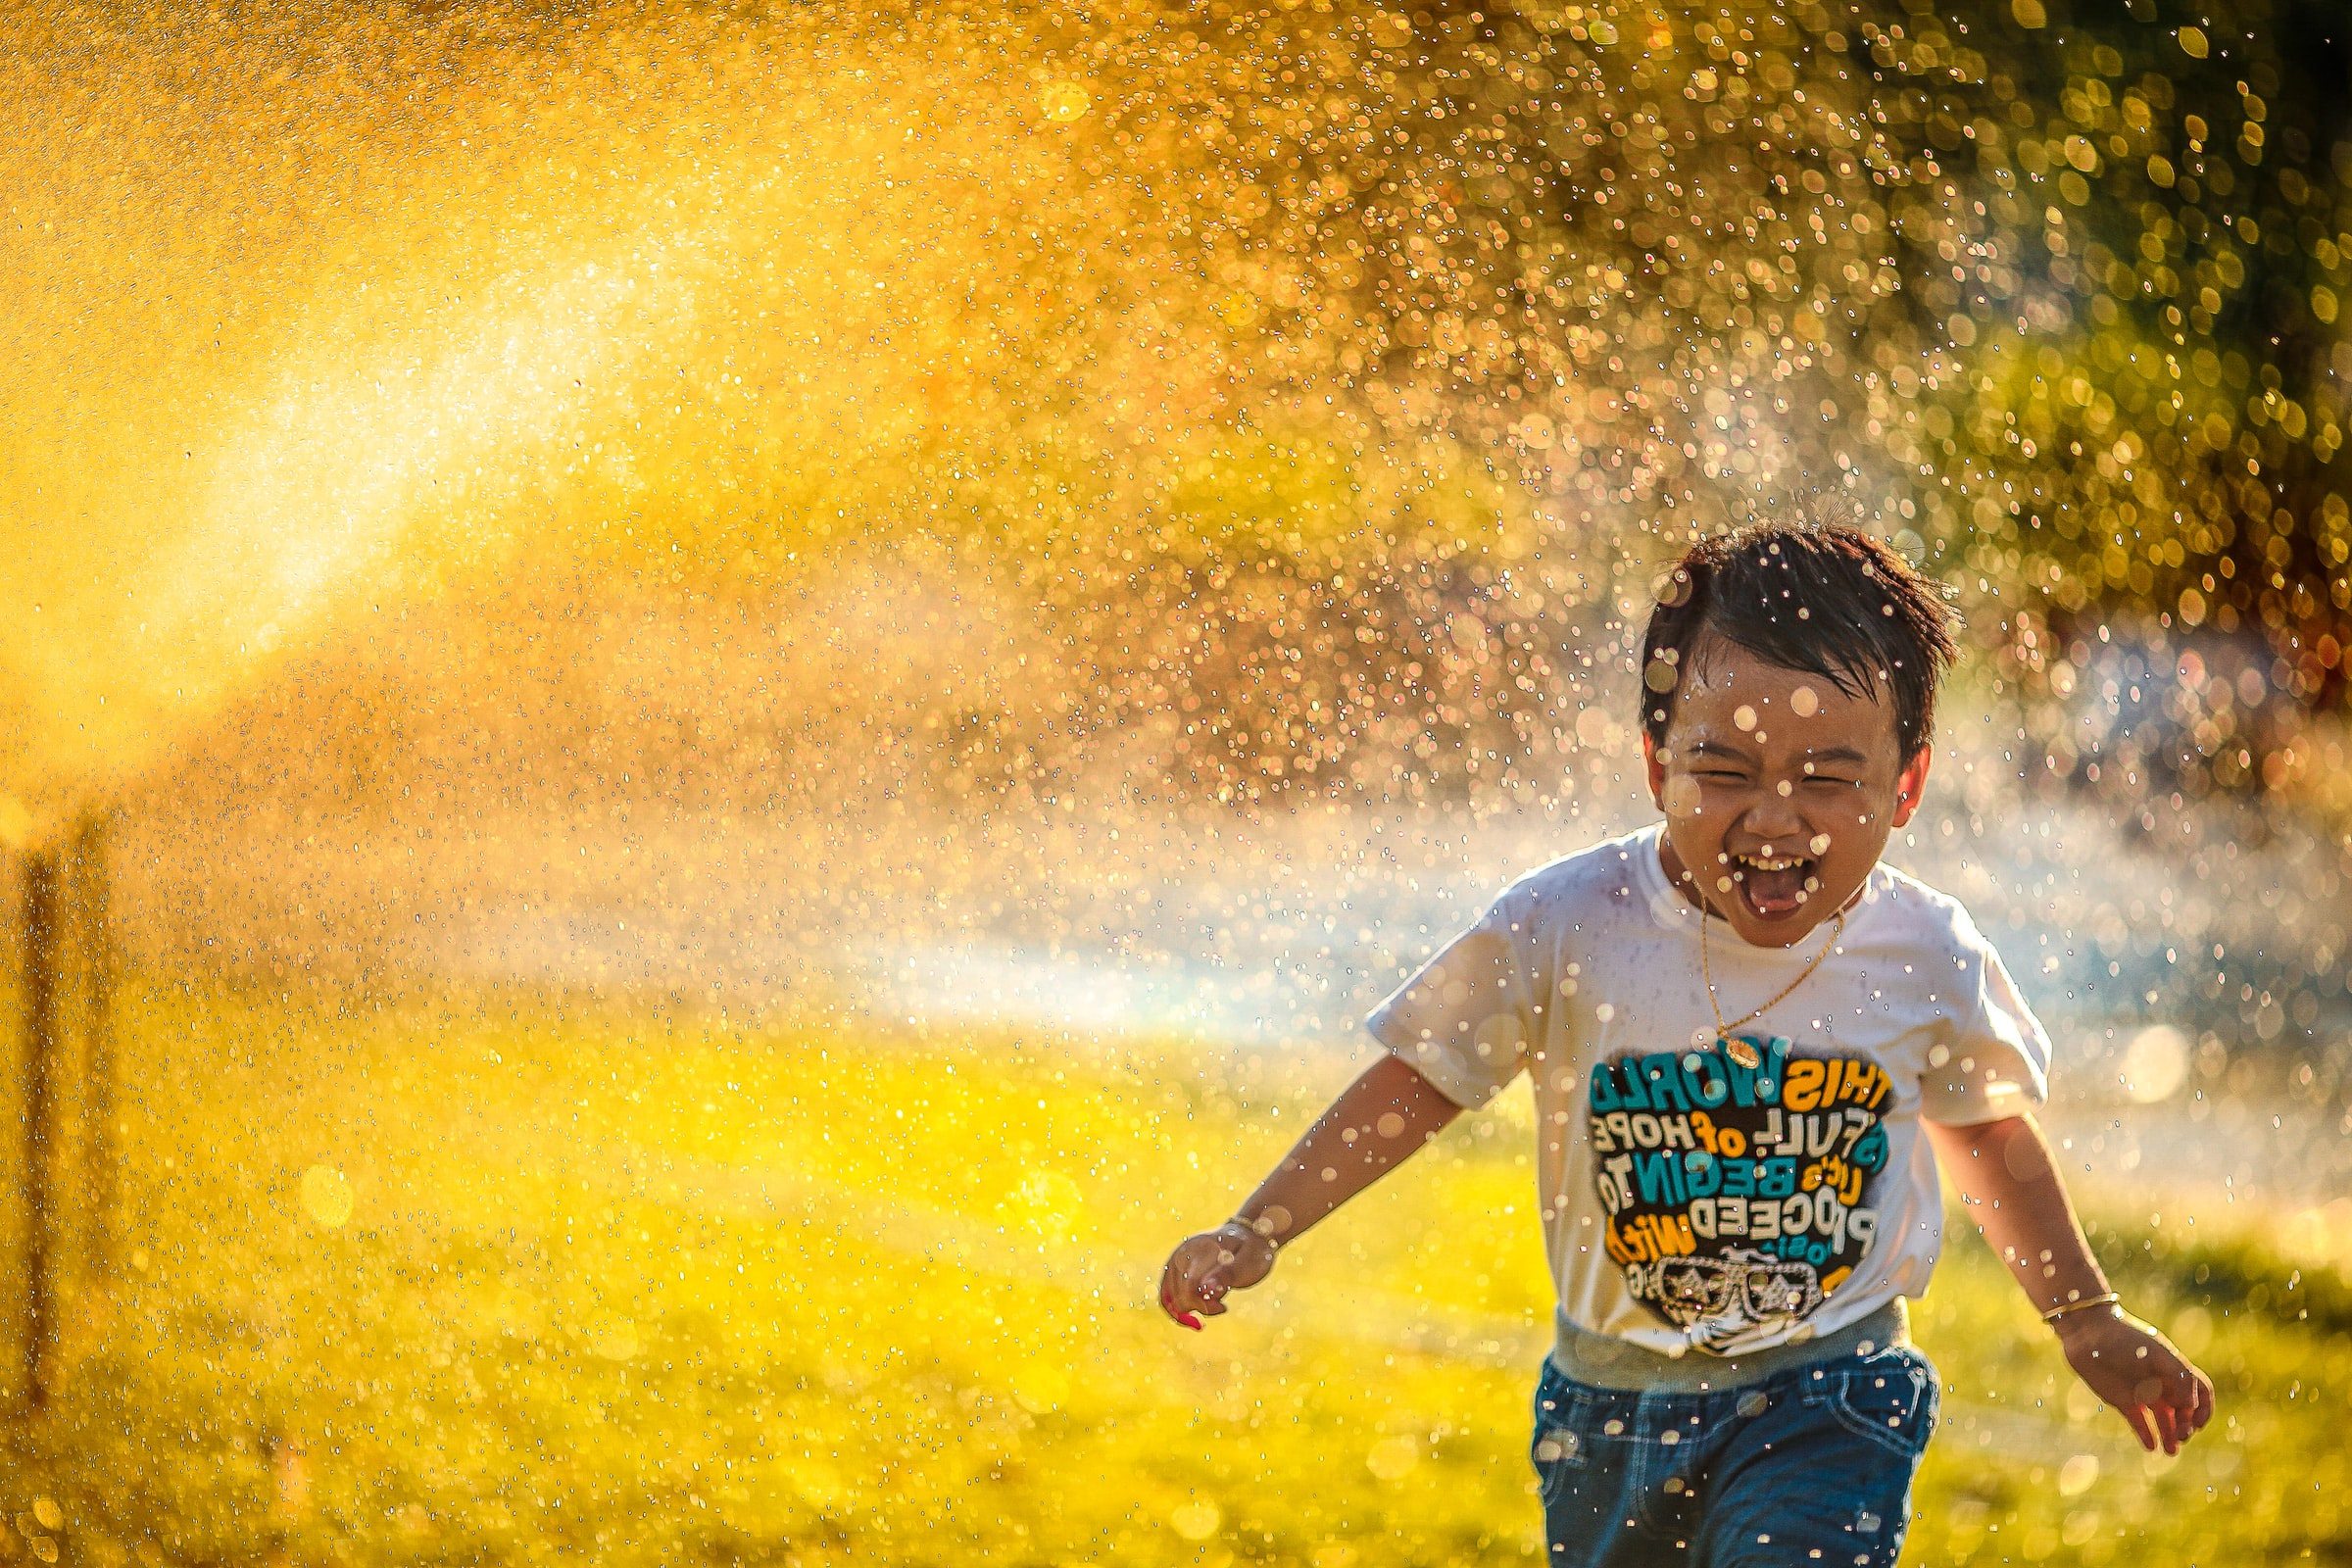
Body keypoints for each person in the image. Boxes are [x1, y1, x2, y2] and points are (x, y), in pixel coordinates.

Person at [1158, 521, 2215, 1567]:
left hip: (1830, 1392)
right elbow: (1421, 1079)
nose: (1774, 816)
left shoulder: (1923, 950)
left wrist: (2084, 1314)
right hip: (1608, 1408)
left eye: (1827, 777)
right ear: (1656, 763)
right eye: (1726, 768)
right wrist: (1262, 1225)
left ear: (1906, 786)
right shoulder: (1568, 923)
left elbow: (1986, 1134)